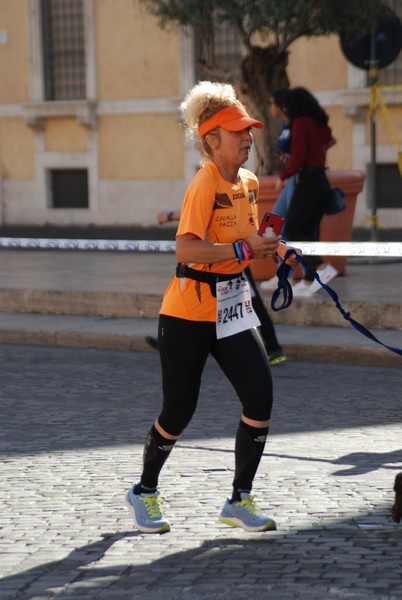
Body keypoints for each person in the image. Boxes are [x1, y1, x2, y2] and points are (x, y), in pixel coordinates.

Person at [125, 80, 299, 534]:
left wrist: (280, 251)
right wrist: (243, 252)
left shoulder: (248, 182)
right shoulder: (203, 185)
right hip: (187, 313)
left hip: (233, 308)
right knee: (179, 409)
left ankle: (238, 500)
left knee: (260, 398)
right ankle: (144, 491)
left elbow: (255, 235)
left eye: (249, 131)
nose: (247, 138)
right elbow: (186, 250)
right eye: (237, 132)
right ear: (211, 141)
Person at [146, 209, 287, 365]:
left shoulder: (223, 187)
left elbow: (204, 210)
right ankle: (174, 341)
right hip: (222, 251)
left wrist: (169, 216)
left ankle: (272, 348)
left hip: (230, 254)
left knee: (251, 301)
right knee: (195, 294)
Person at [271, 87, 338, 297]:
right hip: (320, 179)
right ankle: (310, 278)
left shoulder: (300, 123)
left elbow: (298, 156)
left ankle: (321, 268)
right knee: (309, 231)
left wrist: (283, 175)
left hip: (307, 180)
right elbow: (327, 140)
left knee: (291, 228)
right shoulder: (317, 123)